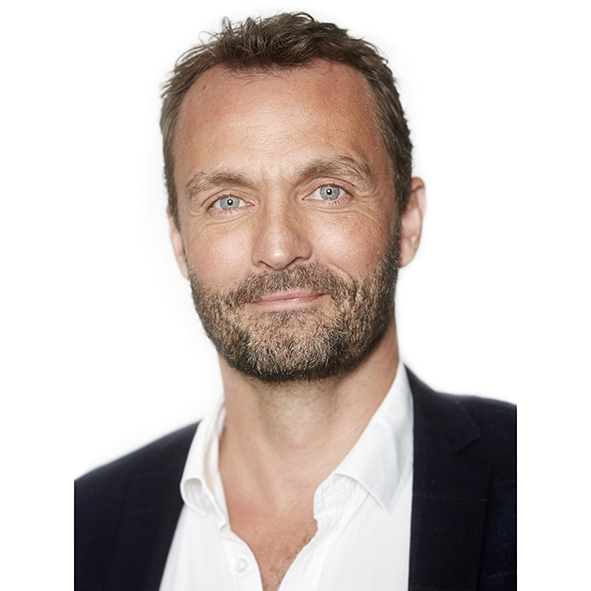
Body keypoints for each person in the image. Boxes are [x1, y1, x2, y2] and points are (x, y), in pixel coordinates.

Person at [75, 12, 516, 591]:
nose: (279, 248)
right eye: (228, 201)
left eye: (328, 190)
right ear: (180, 242)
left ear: (407, 221)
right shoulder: (80, 529)